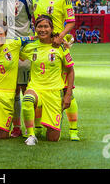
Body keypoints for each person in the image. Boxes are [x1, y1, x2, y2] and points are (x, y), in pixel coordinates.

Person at [31, 0, 79, 141]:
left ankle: (73, 130)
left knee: (67, 89)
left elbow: (71, 21)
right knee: (39, 87)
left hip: (59, 47)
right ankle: (36, 127)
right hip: (40, 47)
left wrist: (62, 37)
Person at [21, 15, 75, 145]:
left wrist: (68, 95)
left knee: (53, 138)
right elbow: (16, 54)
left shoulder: (60, 47)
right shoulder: (30, 46)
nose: (42, 29)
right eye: (39, 26)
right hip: (36, 89)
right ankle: (31, 135)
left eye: (46, 26)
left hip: (54, 92)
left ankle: (53, 123)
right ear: (35, 28)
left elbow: (71, 71)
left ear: (51, 29)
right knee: (27, 99)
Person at [0, 0, 34, 138]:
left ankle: (31, 127)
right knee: (13, 91)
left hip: (24, 49)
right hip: (7, 51)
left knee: (26, 89)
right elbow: (0, 25)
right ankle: (16, 127)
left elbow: (35, 20)